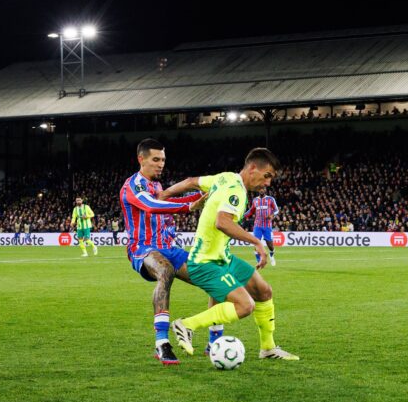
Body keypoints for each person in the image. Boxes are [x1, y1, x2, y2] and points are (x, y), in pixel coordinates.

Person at [167, 148, 300, 360]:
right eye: (267, 176)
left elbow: (191, 181)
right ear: (253, 168)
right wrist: (256, 241)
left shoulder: (225, 177)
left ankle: (268, 348)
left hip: (223, 258)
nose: (268, 183)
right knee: (245, 305)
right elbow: (223, 222)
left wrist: (163, 195)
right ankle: (186, 325)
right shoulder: (236, 191)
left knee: (263, 291)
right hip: (205, 263)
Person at [120, 139, 206, 365]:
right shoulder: (133, 186)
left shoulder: (157, 186)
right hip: (144, 247)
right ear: (141, 159)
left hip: (170, 247)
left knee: (212, 274)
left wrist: (201, 199)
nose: (161, 165)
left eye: (163, 160)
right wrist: (189, 206)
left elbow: (168, 201)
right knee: (165, 271)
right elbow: (151, 205)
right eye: (155, 160)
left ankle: (214, 340)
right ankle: (162, 343)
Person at [244, 185, 279, 266]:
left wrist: (272, 215)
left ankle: (271, 255)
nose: (261, 190)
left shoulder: (270, 199)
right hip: (257, 225)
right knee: (256, 243)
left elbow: (276, 210)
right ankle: (259, 261)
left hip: (267, 226)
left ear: (265, 190)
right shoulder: (255, 200)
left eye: (263, 188)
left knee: (270, 244)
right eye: (260, 188)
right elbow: (251, 211)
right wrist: (242, 215)